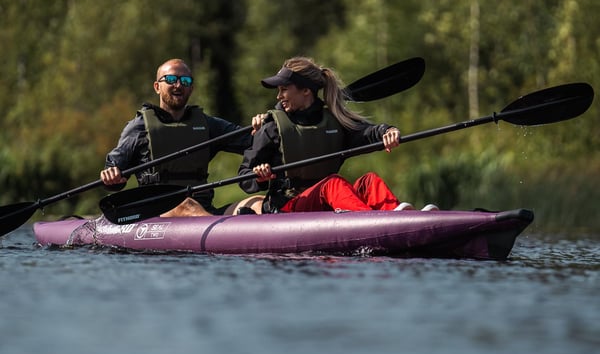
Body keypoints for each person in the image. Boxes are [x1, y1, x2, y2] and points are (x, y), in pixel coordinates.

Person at [237, 56, 438, 214]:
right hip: (286, 207)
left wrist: (388, 131)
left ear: (306, 90)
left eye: (284, 89)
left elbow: (366, 132)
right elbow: (245, 176)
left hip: (323, 203)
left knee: (369, 181)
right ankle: (370, 221)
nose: (279, 96)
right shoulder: (272, 127)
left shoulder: (334, 122)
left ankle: (399, 217)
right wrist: (260, 176)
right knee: (333, 184)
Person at [100, 58, 264, 216]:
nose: (178, 85)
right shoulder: (138, 127)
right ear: (157, 87)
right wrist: (112, 176)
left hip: (204, 211)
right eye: (171, 79)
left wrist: (263, 127)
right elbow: (115, 169)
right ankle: (223, 236)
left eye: (185, 81)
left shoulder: (209, 125)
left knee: (258, 202)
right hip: (157, 212)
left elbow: (253, 142)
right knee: (186, 205)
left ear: (191, 88)